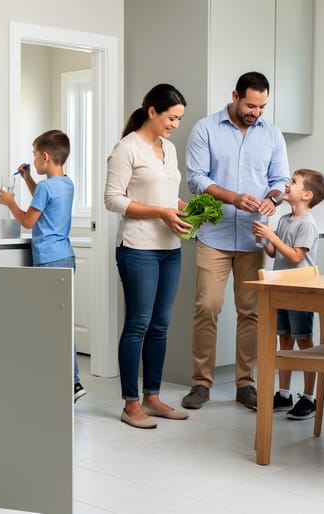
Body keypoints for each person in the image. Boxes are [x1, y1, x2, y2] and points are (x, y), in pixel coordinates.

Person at [182, 71, 290, 411]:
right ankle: (201, 383)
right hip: (213, 234)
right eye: (250, 104)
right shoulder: (205, 129)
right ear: (235, 95)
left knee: (251, 313)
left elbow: (281, 180)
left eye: (261, 106)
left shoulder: (272, 135)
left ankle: (246, 384)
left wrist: (273, 198)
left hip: (253, 236)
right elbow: (196, 178)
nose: (255, 112)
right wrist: (231, 197)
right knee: (207, 307)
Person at [104, 83, 193, 429]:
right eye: (171, 117)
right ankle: (130, 404)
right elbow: (113, 199)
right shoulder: (126, 149)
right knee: (138, 325)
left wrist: (187, 208)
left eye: (179, 119)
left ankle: (152, 397)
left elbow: (167, 195)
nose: (175, 124)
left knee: (160, 326)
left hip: (170, 248)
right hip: (137, 248)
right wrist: (160, 212)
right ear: (152, 111)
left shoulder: (168, 149)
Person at [0, 129, 87, 403]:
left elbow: (27, 221)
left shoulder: (48, 187)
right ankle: (67, 381)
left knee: (52, 324)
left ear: (45, 156)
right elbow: (44, 201)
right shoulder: (65, 183)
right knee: (61, 321)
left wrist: (11, 203)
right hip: (66, 257)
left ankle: (71, 382)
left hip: (48, 259)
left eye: (35, 154)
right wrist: (28, 179)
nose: (33, 158)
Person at [251, 169, 324, 420]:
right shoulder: (285, 220)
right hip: (282, 290)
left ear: (306, 195)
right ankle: (283, 394)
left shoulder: (308, 224)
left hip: (300, 292)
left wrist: (272, 235)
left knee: (304, 343)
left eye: (293, 182)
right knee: (284, 340)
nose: (286, 184)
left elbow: (296, 256)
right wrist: (265, 238)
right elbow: (276, 254)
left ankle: (309, 397)